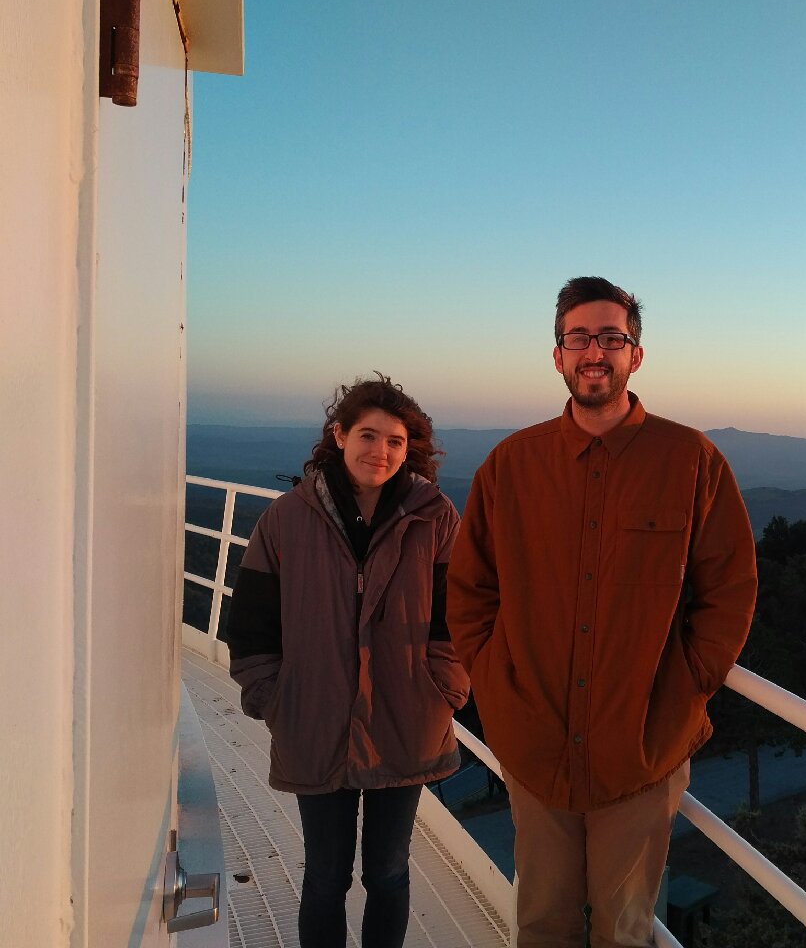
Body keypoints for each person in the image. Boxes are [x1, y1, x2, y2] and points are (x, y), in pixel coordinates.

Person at [448, 277, 758, 947]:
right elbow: (470, 589)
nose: (595, 351)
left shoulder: (691, 460)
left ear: (635, 355)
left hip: (642, 745)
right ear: (557, 356)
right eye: (579, 337)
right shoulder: (510, 466)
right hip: (536, 742)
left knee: (624, 932)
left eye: (611, 337)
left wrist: (689, 682)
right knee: (542, 923)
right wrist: (497, 686)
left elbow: (728, 588)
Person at [223, 374, 468, 948]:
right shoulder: (285, 520)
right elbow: (253, 623)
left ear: (411, 451)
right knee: (325, 877)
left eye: (395, 441)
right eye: (367, 435)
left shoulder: (434, 519)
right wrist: (272, 696)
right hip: (313, 718)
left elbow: (457, 621)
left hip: (407, 718)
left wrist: (444, 688)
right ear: (338, 436)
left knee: (388, 872)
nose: (379, 451)